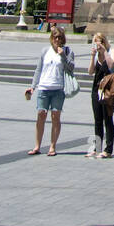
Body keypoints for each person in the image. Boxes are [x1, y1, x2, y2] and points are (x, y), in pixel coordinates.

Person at [24, 27, 75, 156]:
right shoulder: (45, 51)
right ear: (51, 38)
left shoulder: (68, 51)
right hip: (44, 88)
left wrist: (63, 55)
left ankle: (52, 146)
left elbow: (71, 68)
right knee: (41, 114)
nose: (57, 40)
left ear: (63, 39)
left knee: (55, 116)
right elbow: (38, 70)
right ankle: (37, 146)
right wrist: (32, 86)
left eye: (59, 37)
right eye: (55, 37)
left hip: (58, 88)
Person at [88, 32, 114, 158]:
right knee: (97, 120)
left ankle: (108, 150)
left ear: (104, 41)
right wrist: (92, 56)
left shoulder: (112, 51)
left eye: (99, 41)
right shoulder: (95, 55)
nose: (97, 44)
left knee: (108, 119)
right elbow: (90, 72)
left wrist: (104, 52)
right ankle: (97, 148)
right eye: (95, 41)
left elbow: (112, 67)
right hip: (96, 89)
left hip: (108, 90)